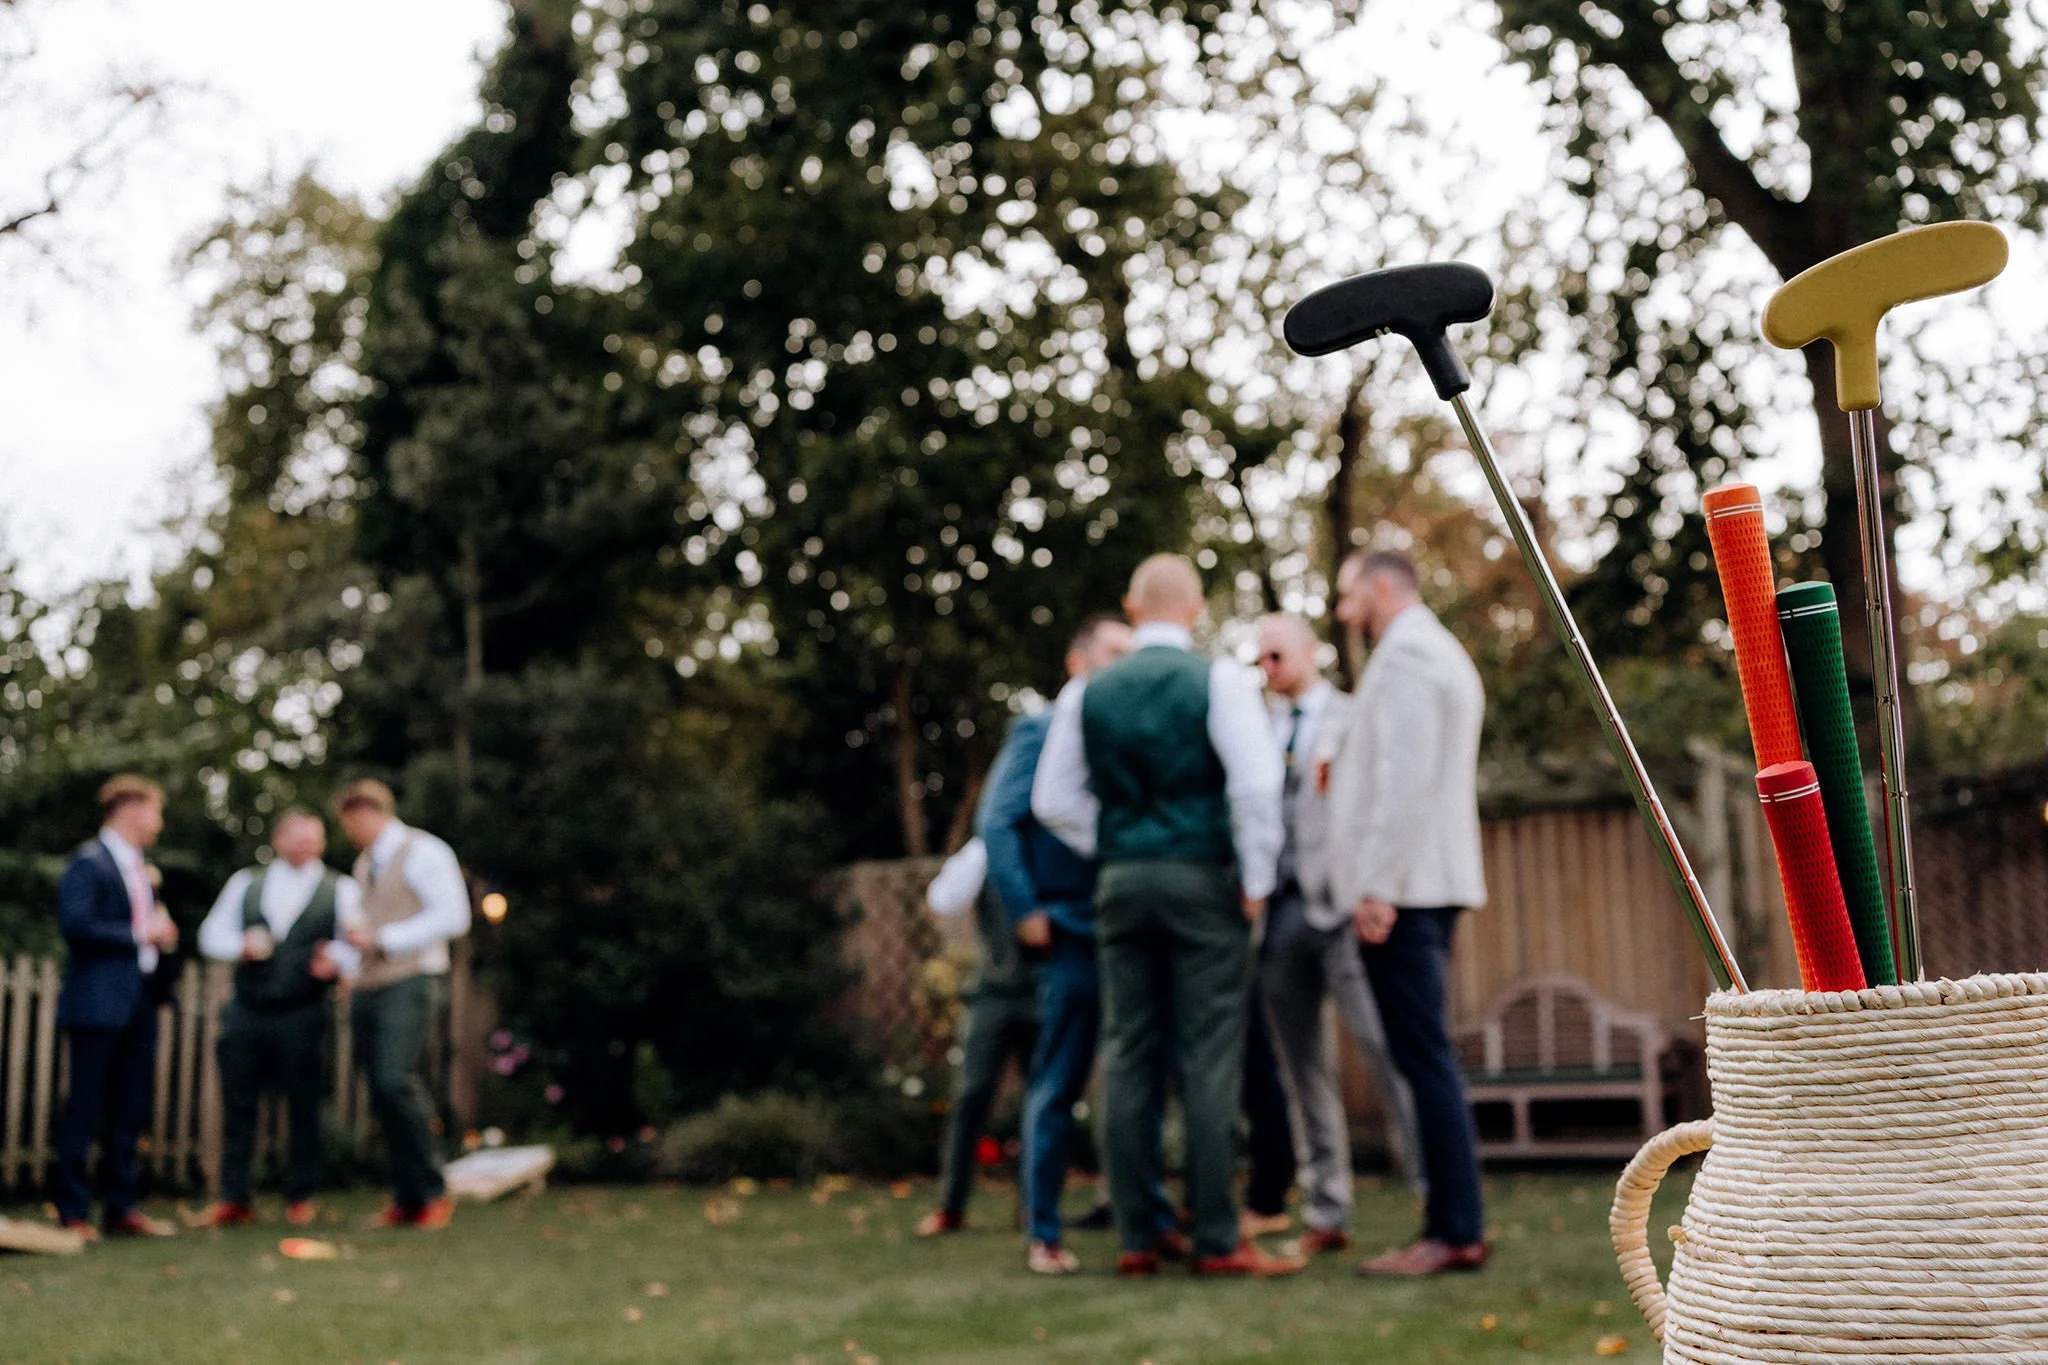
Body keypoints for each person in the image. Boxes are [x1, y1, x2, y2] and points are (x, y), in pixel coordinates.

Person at [1033, 553, 1301, 1277]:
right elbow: (1254, 784)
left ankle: (1137, 1236)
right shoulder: (1216, 679)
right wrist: (1254, 877)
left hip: (1119, 882)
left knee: (1126, 1054)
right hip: (1202, 881)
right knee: (1210, 1055)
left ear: (1131, 602)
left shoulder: (1086, 690)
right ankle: (1217, 1238)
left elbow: (1051, 800)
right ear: (1194, 608)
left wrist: (1119, 843)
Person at [1325, 550, 1489, 1275]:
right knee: (1427, 1058)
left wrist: (1377, 885)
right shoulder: (1433, 648)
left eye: (1347, 592)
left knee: (1423, 1060)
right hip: (1426, 885)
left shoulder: (1406, 656)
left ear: (1382, 585)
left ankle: (1451, 1229)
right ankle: (1452, 1222)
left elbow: (1403, 778)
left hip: (1408, 892)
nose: (1340, 609)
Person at [978, 613, 1150, 1275]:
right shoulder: (1039, 728)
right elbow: (996, 820)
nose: (1123, 665)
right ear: (1078, 663)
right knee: (1060, 1078)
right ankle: (1043, 1229)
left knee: (1138, 1072)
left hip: (1124, 920)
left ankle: (1146, 1215)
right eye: (1113, 652)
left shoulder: (1122, 733)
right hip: (1068, 927)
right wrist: (1025, 908)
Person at [1252, 611, 1425, 1257]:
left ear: (1307, 652)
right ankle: (1327, 1209)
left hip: (1346, 909)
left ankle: (1436, 1192)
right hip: (1280, 914)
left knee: (1387, 1048)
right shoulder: (1254, 730)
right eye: (1260, 659)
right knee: (1305, 1070)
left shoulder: (1353, 715)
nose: (1267, 669)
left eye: (1276, 656)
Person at [188, 808, 364, 1228]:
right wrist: (240, 946)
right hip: (247, 1009)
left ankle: (301, 1195)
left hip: (303, 1011)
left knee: (304, 1103)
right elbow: (211, 934)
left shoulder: (340, 888)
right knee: (238, 1102)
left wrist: (335, 961)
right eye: (297, 837)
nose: (305, 845)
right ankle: (235, 1197)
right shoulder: (246, 882)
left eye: (313, 838)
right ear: (279, 840)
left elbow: (356, 942)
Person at [333, 780, 471, 1230]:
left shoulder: (425, 851)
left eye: (350, 822)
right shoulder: (364, 864)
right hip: (369, 985)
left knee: (396, 1081)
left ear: (366, 812)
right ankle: (407, 1197)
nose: (350, 832)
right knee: (380, 1092)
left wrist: (386, 939)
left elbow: (453, 915)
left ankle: (432, 1189)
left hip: (411, 980)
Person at [51, 774, 181, 1240]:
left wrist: (162, 937)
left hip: (140, 1000)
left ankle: (121, 1208)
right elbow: (76, 924)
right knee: (85, 1107)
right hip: (97, 1003)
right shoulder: (90, 861)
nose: (159, 822)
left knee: (129, 1107)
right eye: (155, 811)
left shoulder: (141, 868)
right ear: (130, 809)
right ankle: (72, 1209)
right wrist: (137, 935)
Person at [915, 830, 1039, 1240]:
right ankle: (951, 1206)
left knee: (1041, 1101)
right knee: (971, 1096)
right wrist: (985, 848)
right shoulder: (988, 848)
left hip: (1044, 993)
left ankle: (1033, 1206)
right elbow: (943, 900)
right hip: (991, 995)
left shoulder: (1056, 845)